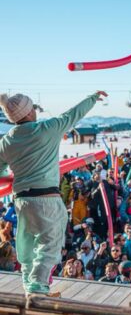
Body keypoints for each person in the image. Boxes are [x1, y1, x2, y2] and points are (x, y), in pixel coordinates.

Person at [0, 90, 108, 297]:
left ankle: (28, 282)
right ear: (28, 111)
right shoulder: (46, 129)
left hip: (21, 199)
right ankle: (38, 289)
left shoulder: (6, 141)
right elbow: (72, 115)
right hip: (46, 198)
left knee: (28, 243)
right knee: (49, 245)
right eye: (32, 107)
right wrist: (92, 98)